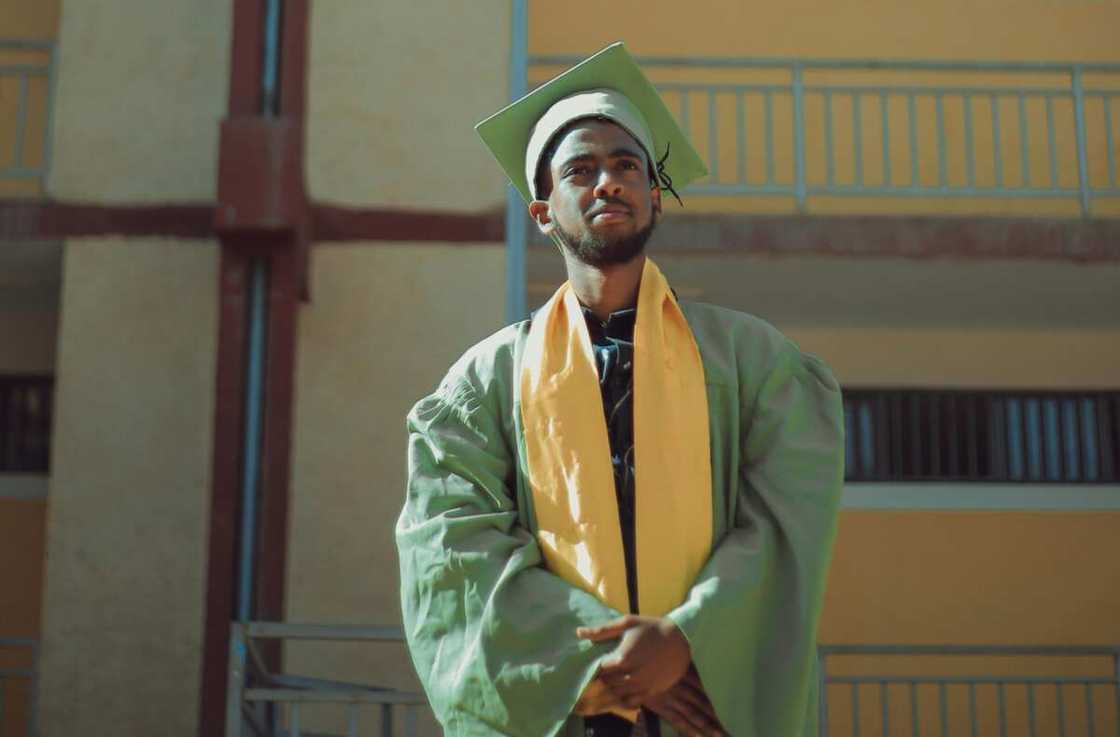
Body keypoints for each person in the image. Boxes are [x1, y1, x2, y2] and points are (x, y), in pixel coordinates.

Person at [396, 42, 845, 737]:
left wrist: (687, 638)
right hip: (576, 712)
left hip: (707, 710)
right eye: (580, 169)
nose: (607, 181)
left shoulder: (751, 358)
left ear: (655, 196)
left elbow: (788, 524)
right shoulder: (483, 385)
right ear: (544, 212)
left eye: (625, 164)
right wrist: (614, 663)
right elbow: (453, 555)